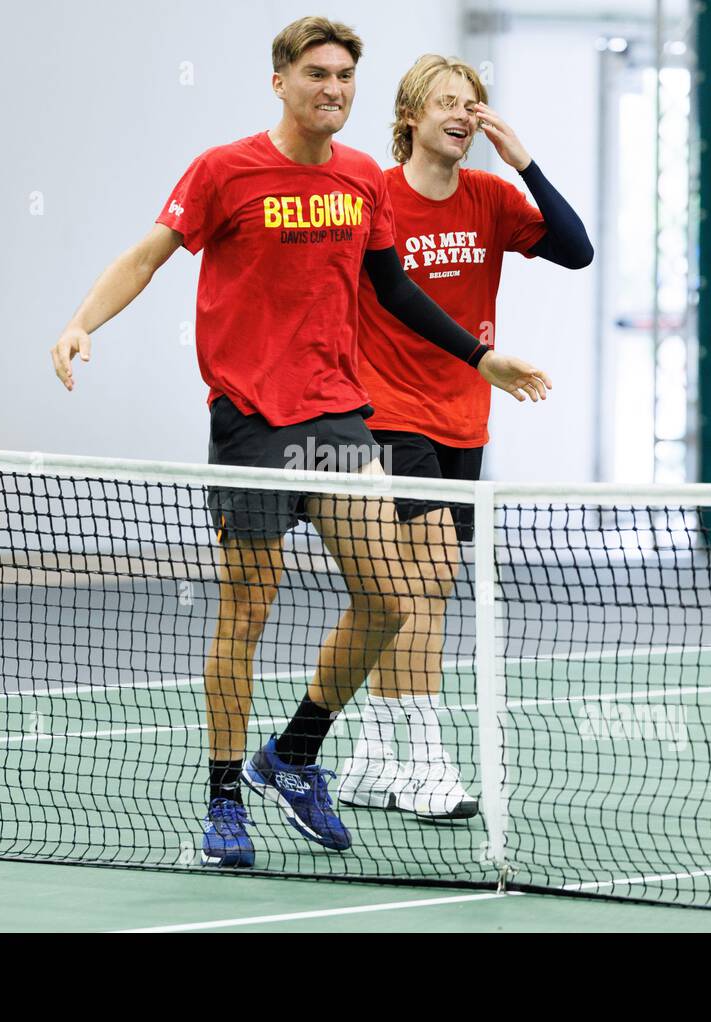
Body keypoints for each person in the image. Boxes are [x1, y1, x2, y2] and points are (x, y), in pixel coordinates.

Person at [50, 20, 553, 867]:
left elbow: (392, 288)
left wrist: (480, 356)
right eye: (318, 74)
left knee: (391, 601)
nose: (334, 89)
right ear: (280, 80)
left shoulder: (364, 180)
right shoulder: (224, 170)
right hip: (250, 422)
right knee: (246, 613)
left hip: (336, 420)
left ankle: (292, 754)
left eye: (347, 76)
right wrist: (80, 322)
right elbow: (148, 255)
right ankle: (222, 805)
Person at [339, 54, 593, 820]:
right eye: (448, 100)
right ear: (411, 115)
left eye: (474, 101)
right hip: (388, 414)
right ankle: (428, 762)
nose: (464, 111)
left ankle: (370, 756)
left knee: (405, 594)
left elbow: (575, 247)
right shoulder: (373, 197)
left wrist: (525, 161)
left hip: (463, 418)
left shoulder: (489, 196)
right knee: (431, 578)